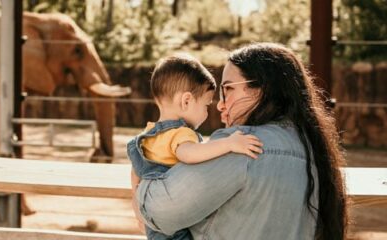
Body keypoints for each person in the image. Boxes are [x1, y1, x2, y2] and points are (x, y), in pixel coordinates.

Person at [132, 43, 348, 240]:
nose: (219, 105)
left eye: (228, 89)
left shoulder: (242, 145)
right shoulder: (311, 147)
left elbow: (158, 209)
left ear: (259, 90)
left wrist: (141, 173)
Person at [127, 53, 263, 240]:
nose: (208, 111)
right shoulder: (182, 133)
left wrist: (137, 207)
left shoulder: (148, 135)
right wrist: (229, 143)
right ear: (186, 101)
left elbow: (136, 172)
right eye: (206, 105)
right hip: (175, 227)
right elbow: (189, 155)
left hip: (154, 224)